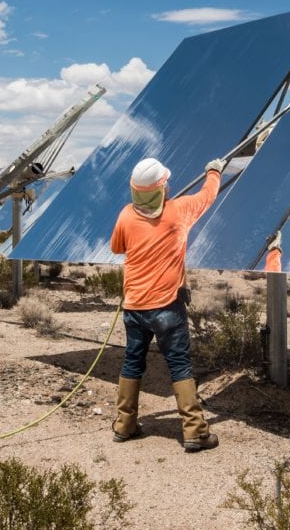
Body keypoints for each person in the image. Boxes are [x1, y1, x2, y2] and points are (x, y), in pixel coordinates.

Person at [110, 156, 225, 452]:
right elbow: (208, 196)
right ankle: (195, 433)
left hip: (134, 306)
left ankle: (125, 424)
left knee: (132, 361)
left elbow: (117, 247)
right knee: (179, 364)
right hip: (167, 306)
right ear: (161, 188)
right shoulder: (180, 211)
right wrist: (213, 170)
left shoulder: (125, 215)